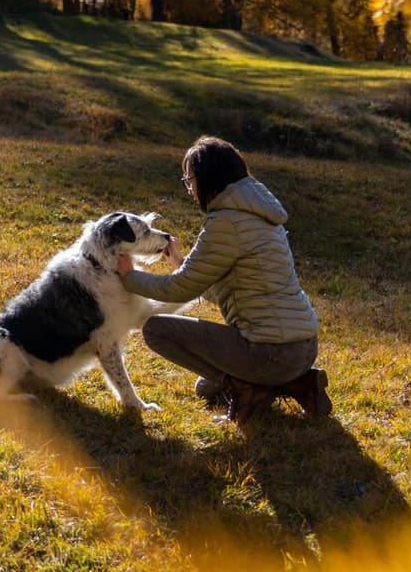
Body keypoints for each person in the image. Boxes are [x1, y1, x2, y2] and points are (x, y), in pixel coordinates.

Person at [115, 135, 331, 423]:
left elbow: (180, 289)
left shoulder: (226, 222)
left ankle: (248, 389)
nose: (189, 189)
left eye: (189, 179)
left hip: (270, 352)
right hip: (303, 348)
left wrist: (129, 277)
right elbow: (223, 288)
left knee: (156, 329)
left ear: (207, 177)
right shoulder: (259, 212)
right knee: (206, 388)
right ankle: (299, 383)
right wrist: (180, 262)